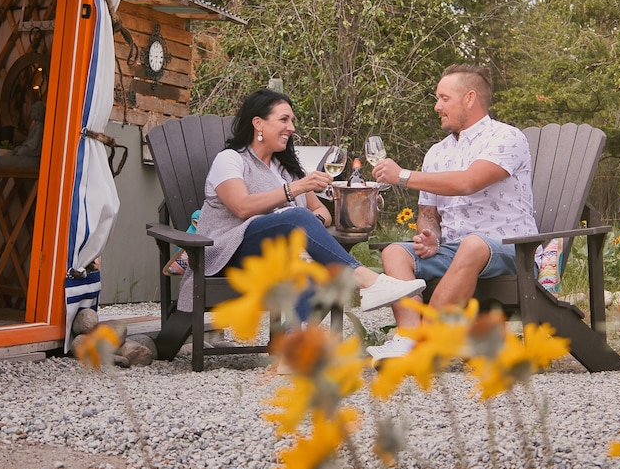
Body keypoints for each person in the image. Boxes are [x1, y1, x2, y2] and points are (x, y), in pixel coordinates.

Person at [177, 88, 425, 319]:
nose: (292, 127)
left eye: (292, 121)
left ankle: (293, 352)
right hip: (227, 253)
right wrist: (295, 192)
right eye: (284, 120)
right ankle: (366, 280)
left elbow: (319, 212)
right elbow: (241, 207)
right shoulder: (231, 160)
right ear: (258, 123)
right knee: (297, 218)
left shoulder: (285, 168)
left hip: (280, 256)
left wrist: (305, 234)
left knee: (308, 268)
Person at [368, 64, 546, 360]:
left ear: (470, 99)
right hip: (454, 249)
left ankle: (426, 342)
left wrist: (402, 175)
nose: (437, 106)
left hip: (513, 251)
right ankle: (408, 339)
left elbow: (468, 182)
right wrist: (430, 235)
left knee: (473, 244)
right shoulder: (437, 152)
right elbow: (428, 211)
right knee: (394, 253)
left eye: (444, 98)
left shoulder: (506, 138)